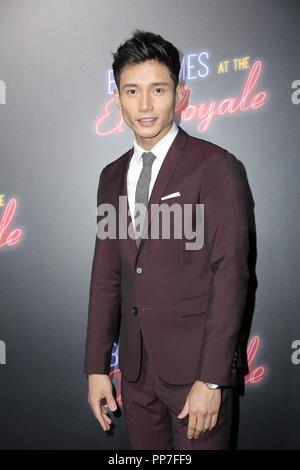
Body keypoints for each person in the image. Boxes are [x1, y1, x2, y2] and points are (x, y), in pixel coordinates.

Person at [84, 29, 249, 450]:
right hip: (136, 376)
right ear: (117, 99)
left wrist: (212, 379)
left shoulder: (215, 167)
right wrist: (97, 366)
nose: (144, 105)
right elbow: (107, 275)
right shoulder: (110, 177)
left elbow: (231, 276)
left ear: (179, 95)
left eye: (157, 89)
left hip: (196, 374)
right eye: (131, 91)